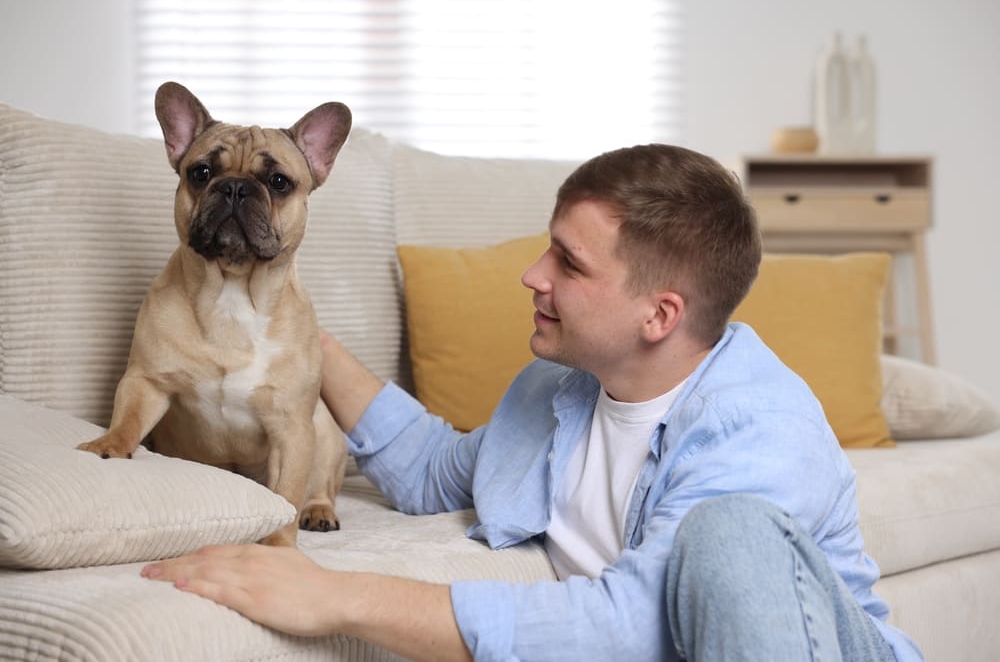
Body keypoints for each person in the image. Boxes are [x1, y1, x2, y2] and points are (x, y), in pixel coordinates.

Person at [142, 143, 923, 662]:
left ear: (660, 315)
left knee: (728, 535)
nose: (533, 274)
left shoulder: (759, 427)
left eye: (569, 263)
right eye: (548, 244)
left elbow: (630, 622)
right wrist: (291, 336)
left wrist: (337, 595)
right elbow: (432, 468)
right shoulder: (559, 392)